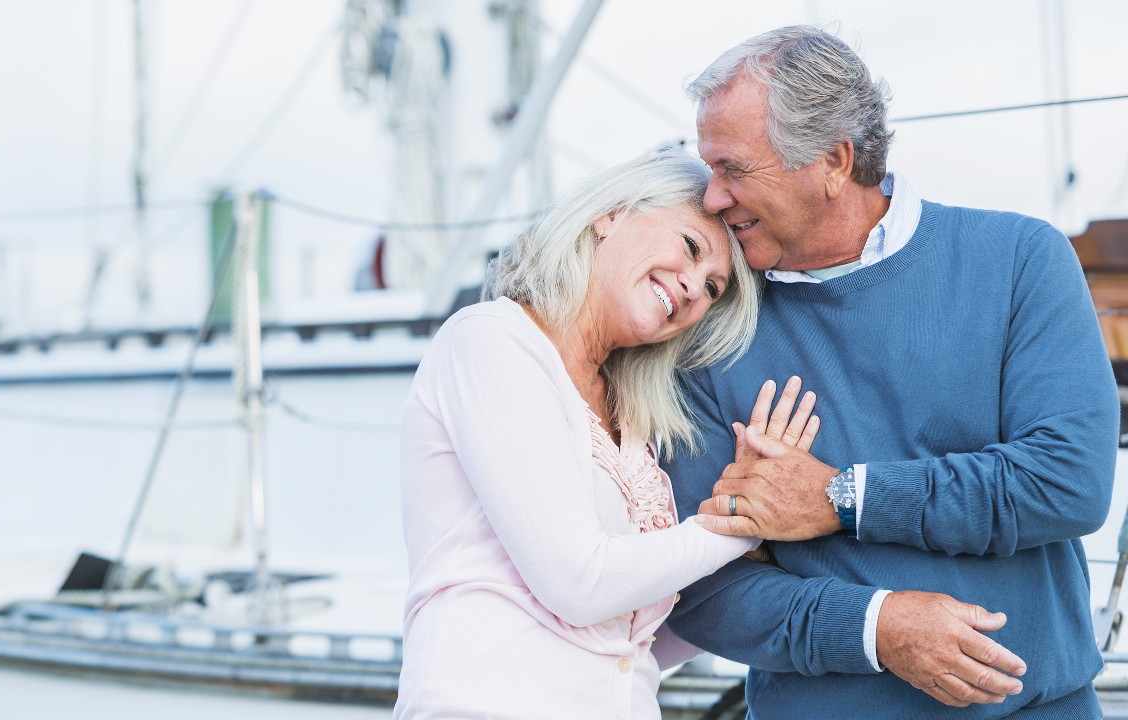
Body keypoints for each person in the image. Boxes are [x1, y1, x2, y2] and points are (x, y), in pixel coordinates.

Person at [660, 25, 1120, 718]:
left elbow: (1068, 483)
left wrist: (843, 498)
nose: (713, 198)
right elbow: (702, 593)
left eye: (733, 169)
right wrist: (879, 627)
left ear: (834, 162)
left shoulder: (1021, 259)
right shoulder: (704, 327)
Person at [394, 148, 794, 719]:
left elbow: (627, 636)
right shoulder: (492, 342)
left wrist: (756, 564)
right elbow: (580, 585)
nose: (691, 288)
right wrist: (741, 523)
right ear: (611, 214)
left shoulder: (632, 418)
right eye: (690, 247)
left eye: (712, 288)